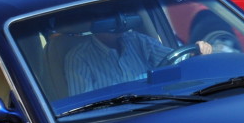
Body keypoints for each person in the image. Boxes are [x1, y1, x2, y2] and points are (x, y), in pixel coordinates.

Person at [65, 22, 212, 96]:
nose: (118, 23)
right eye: (110, 19)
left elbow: (174, 59)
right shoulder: (79, 57)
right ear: (95, 23)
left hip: (161, 108)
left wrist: (196, 53)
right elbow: (82, 108)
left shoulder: (138, 41)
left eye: (120, 17)